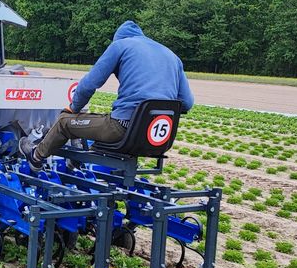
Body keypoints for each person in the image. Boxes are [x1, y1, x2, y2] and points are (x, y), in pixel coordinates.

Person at [20, 20, 194, 170]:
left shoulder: (120, 45)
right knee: (90, 121)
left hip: (121, 129)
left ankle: (36, 157)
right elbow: (187, 103)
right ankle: (74, 162)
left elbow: (88, 85)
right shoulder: (172, 56)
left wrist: (73, 108)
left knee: (65, 121)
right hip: (159, 140)